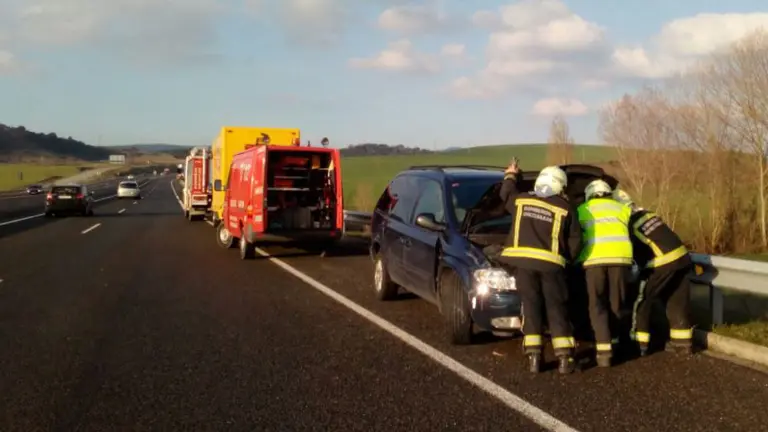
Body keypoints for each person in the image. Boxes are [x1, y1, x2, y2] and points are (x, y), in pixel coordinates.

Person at [498, 160, 583, 374]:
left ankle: (535, 359)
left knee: (532, 308)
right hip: (552, 267)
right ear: (560, 185)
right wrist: (568, 260)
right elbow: (575, 241)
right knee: (556, 310)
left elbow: (505, 195)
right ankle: (564, 360)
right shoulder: (565, 208)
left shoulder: (522, 200)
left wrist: (511, 175)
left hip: (523, 265)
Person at [613, 189, 694, 356]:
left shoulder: (627, 222)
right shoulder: (649, 215)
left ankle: (639, 344)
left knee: (641, 300)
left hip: (662, 262)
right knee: (676, 300)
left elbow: (633, 251)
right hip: (683, 258)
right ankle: (683, 344)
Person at [576, 179, 633, 367]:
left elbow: (576, 237)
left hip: (594, 262)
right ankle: (619, 342)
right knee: (617, 303)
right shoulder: (621, 209)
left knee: (597, 305)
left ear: (589, 194)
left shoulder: (583, 210)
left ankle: (604, 352)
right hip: (621, 261)